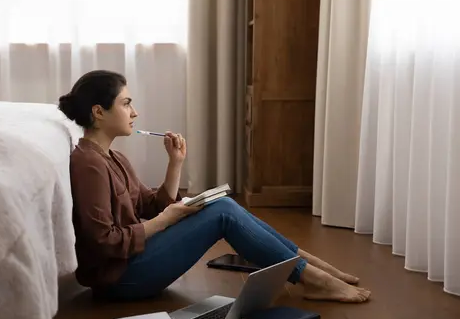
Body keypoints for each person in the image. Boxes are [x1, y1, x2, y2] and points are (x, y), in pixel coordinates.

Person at [58, 69, 371, 303]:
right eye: (126, 104)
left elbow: (151, 206)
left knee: (220, 204)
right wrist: (168, 219)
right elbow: (103, 241)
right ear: (99, 112)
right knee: (223, 211)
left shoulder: (113, 158)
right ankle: (312, 277)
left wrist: (175, 163)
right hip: (120, 280)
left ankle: (313, 269)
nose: (134, 112)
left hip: (132, 263)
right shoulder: (88, 165)